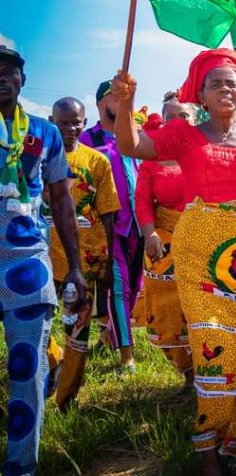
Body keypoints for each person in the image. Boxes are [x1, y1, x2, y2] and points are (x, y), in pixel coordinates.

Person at [111, 49, 236, 474]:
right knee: (215, 343)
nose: (226, 88)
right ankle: (208, 445)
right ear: (202, 93)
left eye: (232, 81)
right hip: (200, 254)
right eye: (216, 83)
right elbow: (130, 144)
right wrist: (125, 102)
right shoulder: (183, 135)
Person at [0, 46, 87, 474]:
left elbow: (61, 199)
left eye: (9, 72)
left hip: (28, 264)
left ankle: (21, 466)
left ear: (22, 81)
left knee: (27, 368)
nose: (1, 78)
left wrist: (74, 265)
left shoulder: (45, 134)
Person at [47, 97, 119, 410]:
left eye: (76, 122)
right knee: (36, 326)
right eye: (63, 122)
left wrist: (107, 262)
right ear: (52, 122)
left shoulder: (97, 162)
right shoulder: (36, 160)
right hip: (41, 258)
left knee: (77, 331)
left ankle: (66, 398)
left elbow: (108, 214)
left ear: (85, 122)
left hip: (84, 260)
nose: (70, 128)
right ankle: (53, 360)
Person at [81, 79, 142, 371]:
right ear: (101, 103)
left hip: (139, 226)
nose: (122, 102)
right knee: (120, 289)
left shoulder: (133, 136)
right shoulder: (87, 140)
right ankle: (126, 356)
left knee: (137, 287)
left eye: (126, 97)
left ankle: (109, 335)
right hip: (108, 226)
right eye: (116, 97)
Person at [135, 102, 194, 389]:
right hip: (165, 241)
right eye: (171, 116)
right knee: (169, 310)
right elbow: (143, 202)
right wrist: (150, 234)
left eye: (185, 116)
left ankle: (211, 371)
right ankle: (187, 371)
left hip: (202, 237)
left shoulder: (204, 153)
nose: (178, 121)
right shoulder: (150, 160)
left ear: (195, 119)